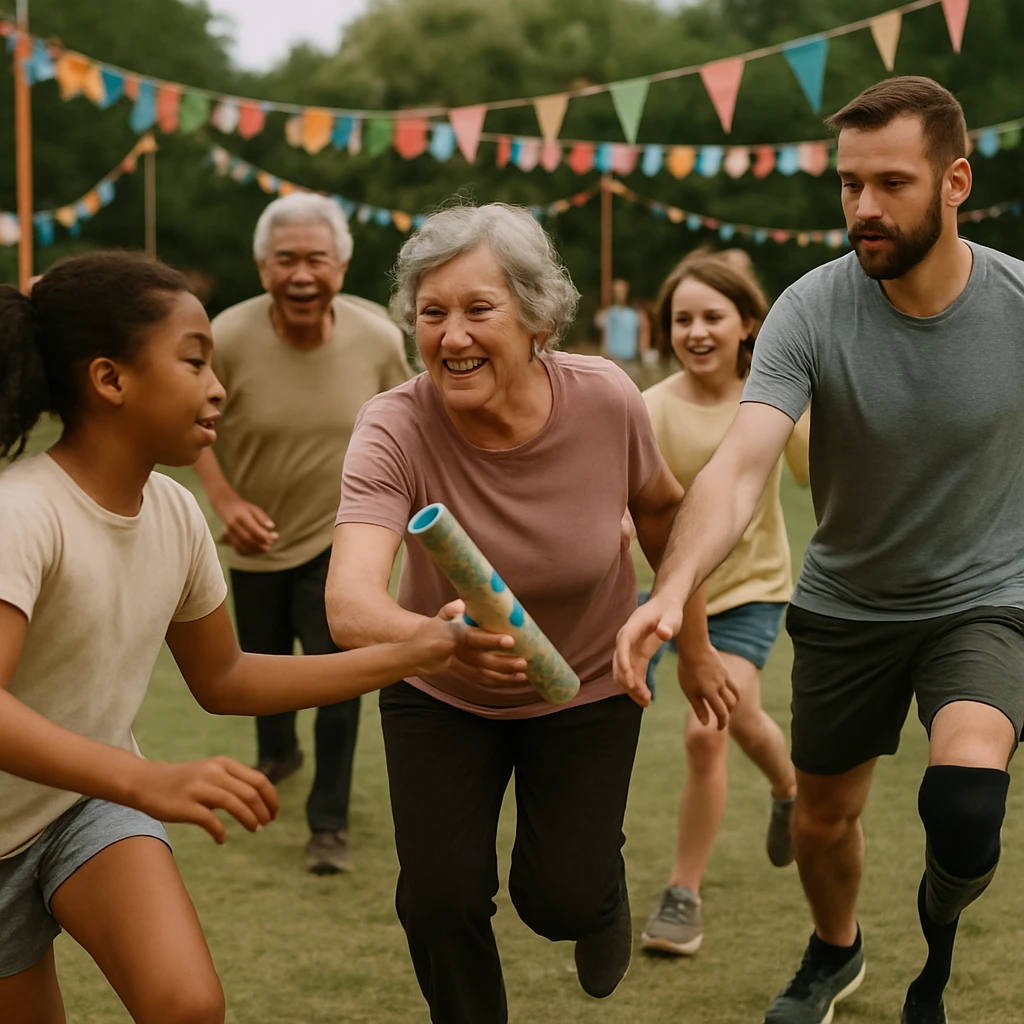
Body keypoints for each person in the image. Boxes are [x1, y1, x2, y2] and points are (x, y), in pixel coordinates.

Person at [614, 76, 1024, 1024]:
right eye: (849, 185)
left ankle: (940, 921)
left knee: (965, 806)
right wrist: (672, 592)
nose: (863, 209)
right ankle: (835, 951)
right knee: (821, 818)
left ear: (955, 180)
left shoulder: (1013, 305)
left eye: (891, 183)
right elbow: (740, 466)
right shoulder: (809, 308)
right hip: (848, 601)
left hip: (984, 599)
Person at [0, 252, 466, 1024]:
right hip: (70, 801)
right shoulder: (22, 514)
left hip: (86, 808)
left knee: (187, 1007)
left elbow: (227, 679)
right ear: (111, 380)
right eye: (193, 362)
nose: (218, 387)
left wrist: (411, 653)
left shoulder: (178, 516)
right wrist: (147, 780)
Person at [326, 203, 734, 1024]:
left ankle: (599, 893)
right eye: (431, 313)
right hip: (440, 692)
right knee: (438, 900)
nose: (452, 336)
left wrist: (690, 639)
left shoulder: (606, 399)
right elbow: (348, 602)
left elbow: (661, 514)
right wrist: (434, 640)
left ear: (538, 318)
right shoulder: (394, 425)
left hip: (585, 684)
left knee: (561, 901)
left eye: (479, 309)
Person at [193, 192, 411, 875]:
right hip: (256, 543)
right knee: (262, 668)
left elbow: (411, 419)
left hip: (344, 541)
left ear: (341, 267)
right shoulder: (223, 336)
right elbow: (193, 421)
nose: (301, 274)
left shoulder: (377, 338)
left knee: (338, 680)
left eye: (317, 258)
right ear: (263, 268)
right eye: (285, 260)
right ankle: (279, 751)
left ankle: (328, 824)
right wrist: (224, 500)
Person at [638, 251, 809, 957]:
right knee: (727, 724)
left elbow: (820, 481)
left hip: (750, 594)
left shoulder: (773, 405)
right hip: (668, 592)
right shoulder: (649, 409)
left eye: (713, 316)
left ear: (749, 325)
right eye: (683, 318)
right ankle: (789, 783)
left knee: (710, 729)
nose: (697, 331)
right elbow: (632, 510)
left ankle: (683, 895)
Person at [595, 278, 650, 364]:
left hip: (630, 357)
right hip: (612, 357)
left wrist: (644, 351)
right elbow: (603, 331)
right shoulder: (608, 313)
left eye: (621, 291)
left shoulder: (634, 314)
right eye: (617, 291)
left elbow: (644, 332)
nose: (619, 294)